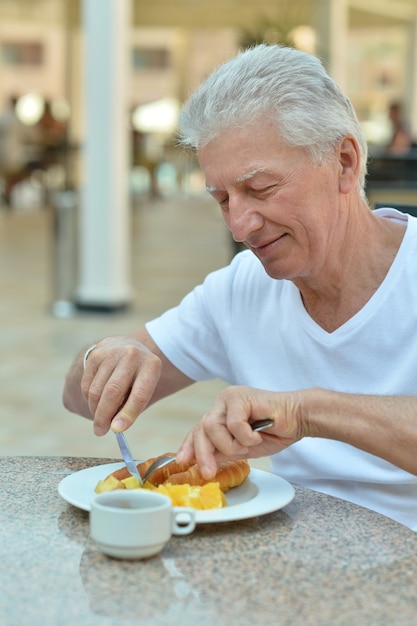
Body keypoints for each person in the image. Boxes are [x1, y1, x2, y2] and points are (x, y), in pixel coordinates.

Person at [63, 44, 417, 530]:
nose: (240, 225)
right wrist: (105, 357)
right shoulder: (241, 289)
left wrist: (304, 411)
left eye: (260, 189)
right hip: (294, 570)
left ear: (345, 161)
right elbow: (76, 402)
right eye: (223, 198)